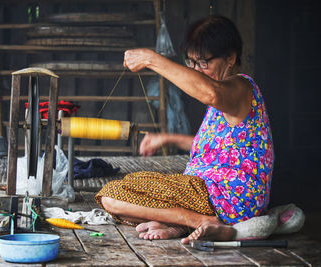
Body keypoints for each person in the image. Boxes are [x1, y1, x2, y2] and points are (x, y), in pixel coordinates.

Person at [95, 15, 274, 243]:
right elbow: (219, 151)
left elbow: (210, 93)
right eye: (191, 62)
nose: (196, 70)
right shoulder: (225, 101)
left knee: (110, 196)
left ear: (230, 58)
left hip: (228, 198)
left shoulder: (239, 88)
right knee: (126, 197)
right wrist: (166, 138)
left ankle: (197, 221)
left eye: (203, 63)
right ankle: (181, 224)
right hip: (215, 196)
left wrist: (150, 59)